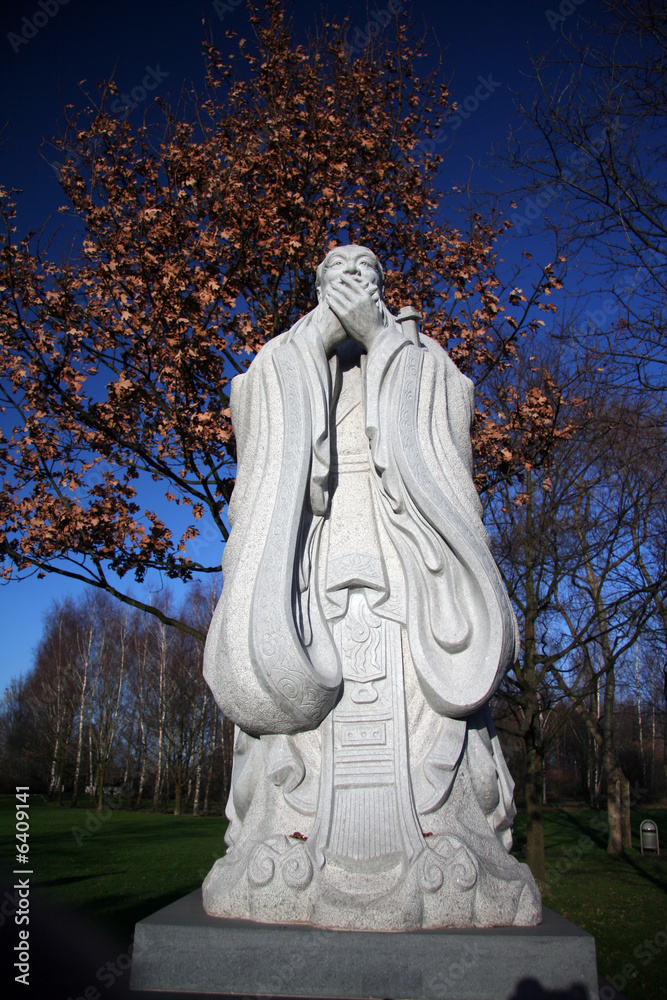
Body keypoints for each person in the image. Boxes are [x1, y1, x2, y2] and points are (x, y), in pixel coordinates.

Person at [203, 245, 540, 930]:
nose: (352, 289)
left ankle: (442, 836)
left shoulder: (421, 358)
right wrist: (318, 342)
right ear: (319, 289)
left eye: (365, 280)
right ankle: (290, 838)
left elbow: (449, 420)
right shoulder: (288, 356)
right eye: (338, 279)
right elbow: (255, 404)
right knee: (316, 693)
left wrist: (383, 342)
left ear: (383, 289)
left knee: (414, 689)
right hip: (318, 556)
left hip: (404, 556)